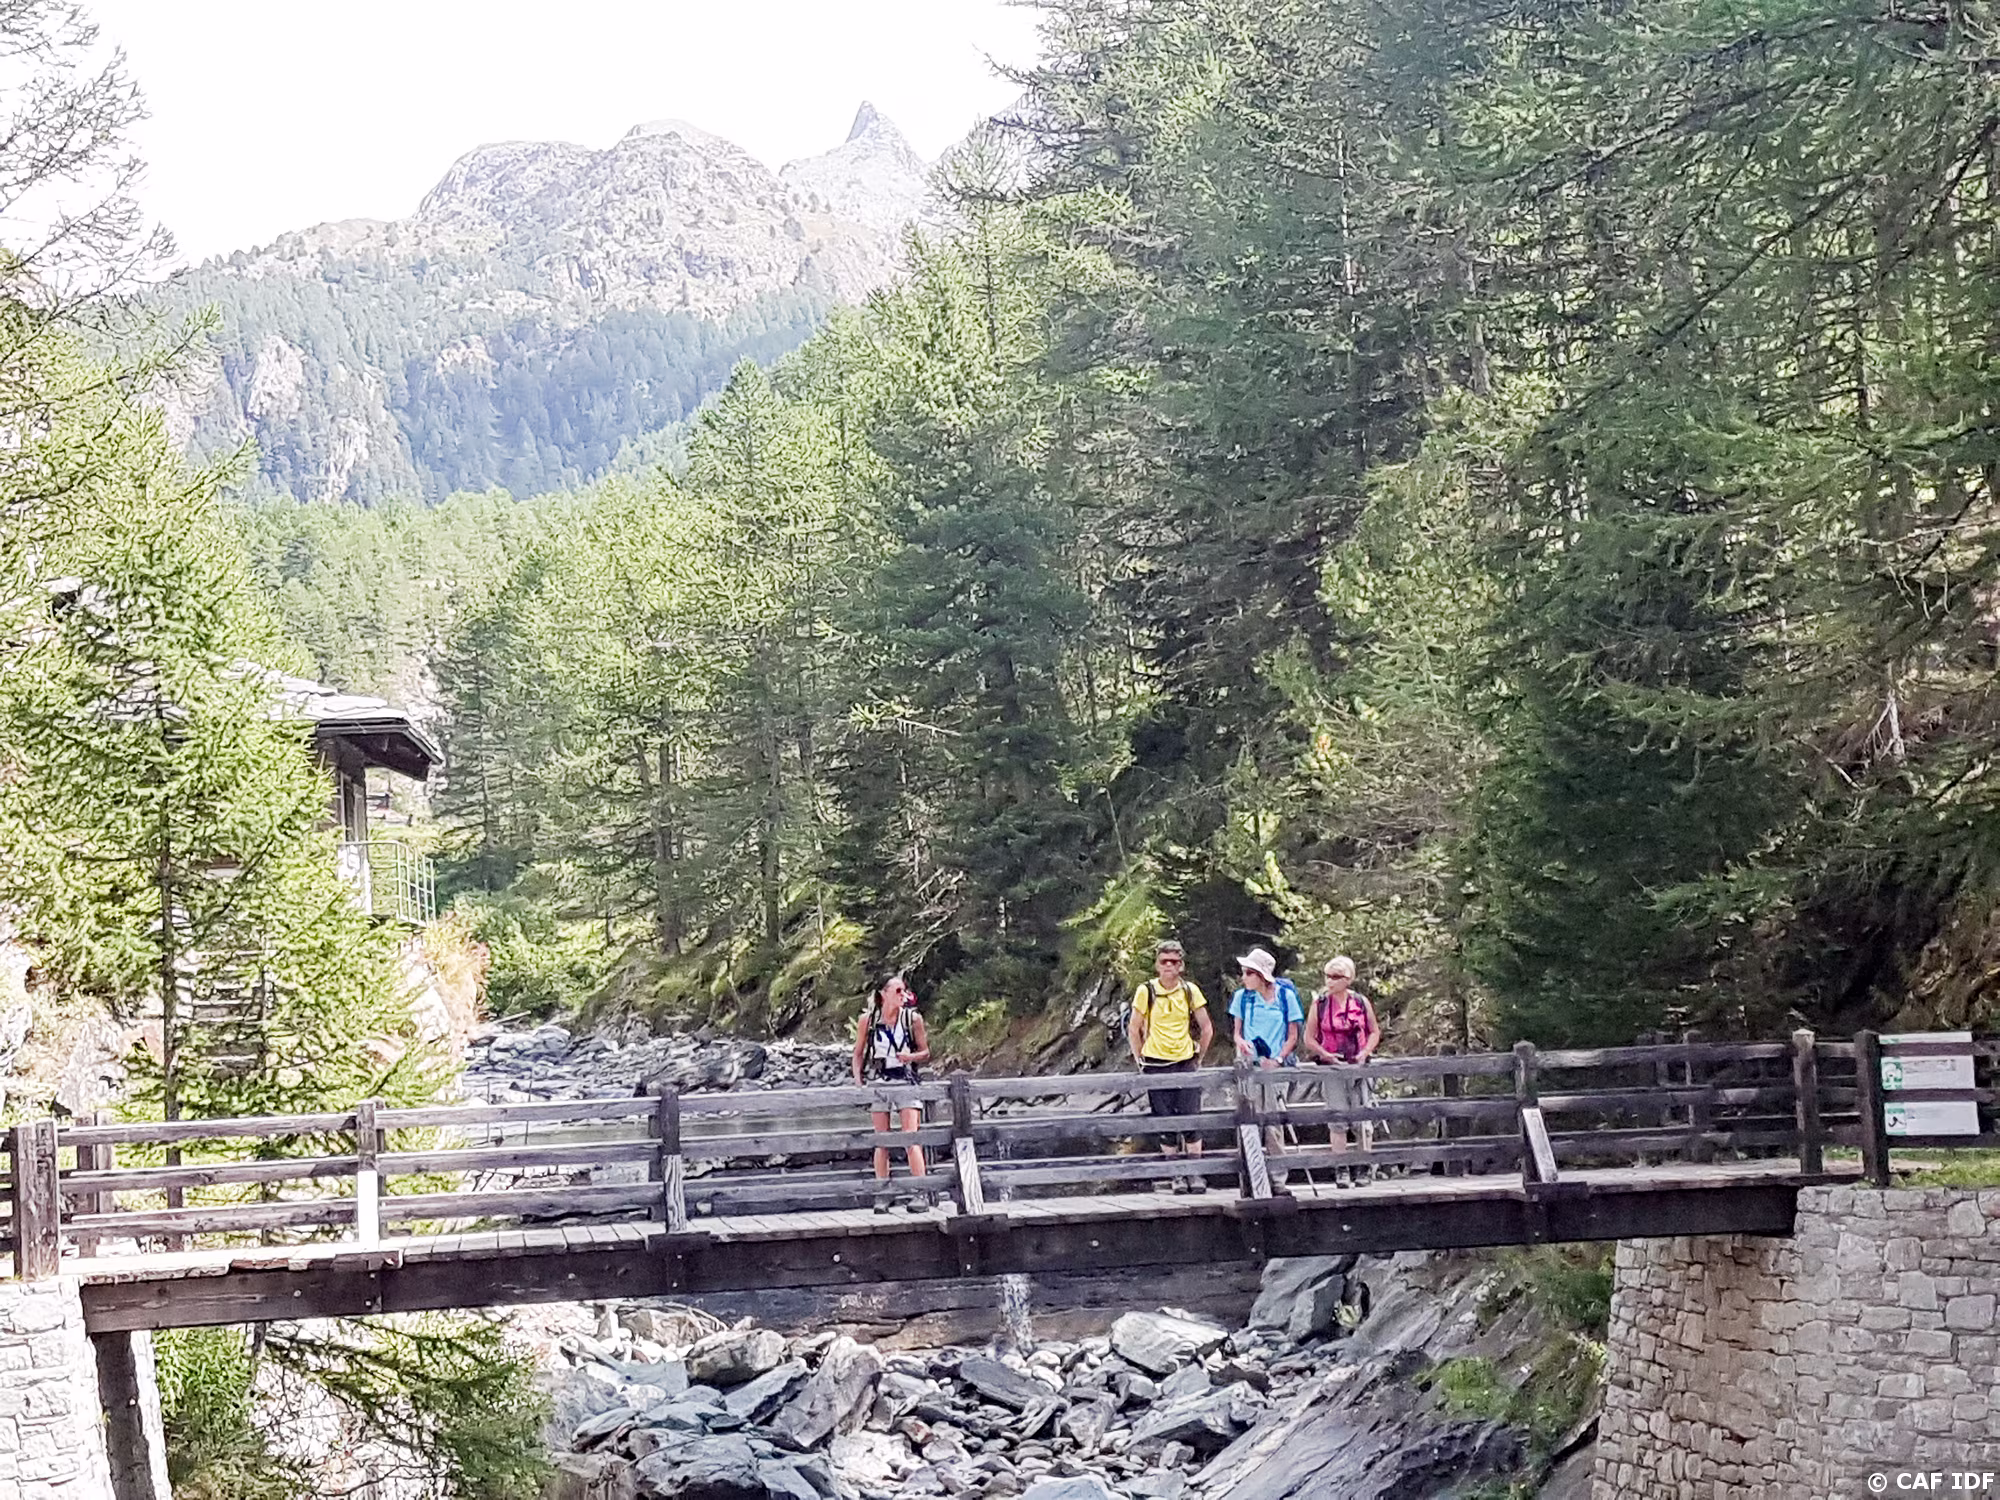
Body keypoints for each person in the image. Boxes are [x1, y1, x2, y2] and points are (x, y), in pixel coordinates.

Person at [1129, 938, 1215, 1194]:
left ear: (1181, 965)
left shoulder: (1190, 991)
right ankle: (1176, 1173)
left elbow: (1207, 1027)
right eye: (1164, 961)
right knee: (1164, 1121)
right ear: (1157, 964)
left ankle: (1194, 1173)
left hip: (1185, 1060)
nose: (1169, 966)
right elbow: (1134, 1027)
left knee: (1191, 1118)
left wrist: (1199, 1057)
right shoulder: (1146, 990)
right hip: (1156, 1062)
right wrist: (1139, 1058)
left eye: (1174, 962)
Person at [852, 973, 932, 1212]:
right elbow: (858, 1053)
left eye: (903, 990)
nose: (902, 995)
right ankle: (883, 1194)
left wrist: (910, 1057)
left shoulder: (912, 1019)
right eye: (897, 991)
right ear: (883, 994)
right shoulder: (868, 1020)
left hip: (905, 1079)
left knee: (911, 1137)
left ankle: (920, 1193)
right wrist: (859, 1082)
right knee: (881, 1140)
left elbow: (925, 1052)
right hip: (880, 1080)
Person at [1228, 947, 1303, 1192]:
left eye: (1249, 972)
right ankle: (1251, 1177)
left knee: (1273, 1122)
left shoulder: (1285, 997)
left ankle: (1278, 1179)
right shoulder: (1242, 998)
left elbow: (1293, 1036)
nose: (1244, 977)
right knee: (1248, 1122)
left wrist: (1278, 1059)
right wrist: (1242, 1044)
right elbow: (1237, 1033)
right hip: (1249, 1067)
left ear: (1262, 975)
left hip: (1275, 1068)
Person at [1303, 955, 1382, 1186]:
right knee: (1336, 1118)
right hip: (1332, 1068)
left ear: (1348, 979)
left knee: (1362, 1117)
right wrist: (1325, 1054)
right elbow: (1309, 1037)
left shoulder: (1360, 1002)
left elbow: (1374, 1031)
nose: (1330, 981)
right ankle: (1341, 1169)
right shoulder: (1319, 1004)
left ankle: (1364, 1168)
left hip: (1358, 1066)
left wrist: (1364, 1053)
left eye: (1336, 977)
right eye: (1328, 976)